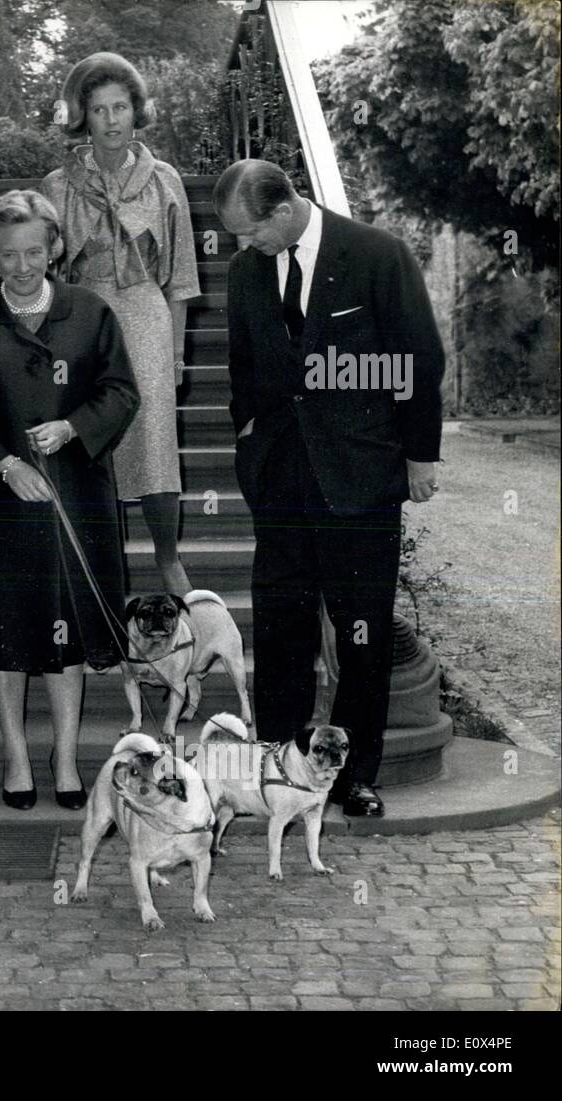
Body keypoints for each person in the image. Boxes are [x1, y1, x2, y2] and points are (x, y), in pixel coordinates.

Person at [214, 159, 444, 818]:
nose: (243, 246)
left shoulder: (376, 255)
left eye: (250, 232)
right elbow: (243, 364)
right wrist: (248, 437)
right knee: (280, 624)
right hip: (281, 479)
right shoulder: (246, 273)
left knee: (361, 629)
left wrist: (420, 456)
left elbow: (419, 360)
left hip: (361, 476)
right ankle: (281, 767)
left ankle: (354, 774)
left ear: (283, 212)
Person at [0, 191, 139, 809]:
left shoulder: (89, 312)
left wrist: (73, 426)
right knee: (7, 626)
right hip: (0, 498)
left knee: (69, 624)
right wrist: (1, 463)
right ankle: (18, 755)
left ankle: (68, 756)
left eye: (33, 252)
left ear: (54, 248)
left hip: (76, 488)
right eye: (6, 254)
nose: (21, 266)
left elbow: (121, 391)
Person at [41, 52, 200, 595]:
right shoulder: (57, 185)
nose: (110, 119)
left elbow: (180, 277)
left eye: (120, 107)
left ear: (137, 112)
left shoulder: (164, 180)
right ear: (81, 116)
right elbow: (43, 271)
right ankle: (97, 561)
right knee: (89, 434)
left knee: (154, 437)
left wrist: (177, 354)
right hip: (81, 321)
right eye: (98, 109)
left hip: (147, 316)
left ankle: (167, 557)